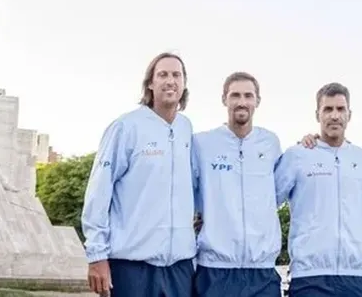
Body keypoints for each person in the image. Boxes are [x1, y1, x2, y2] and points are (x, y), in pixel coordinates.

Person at [81, 52, 197, 297]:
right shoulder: (126, 127)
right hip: (132, 267)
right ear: (150, 84)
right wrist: (96, 255)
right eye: (162, 74)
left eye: (176, 75)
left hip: (179, 268)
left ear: (184, 84)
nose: (170, 81)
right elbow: (99, 191)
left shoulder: (186, 129)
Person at [275, 82, 362, 297]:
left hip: (355, 278)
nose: (334, 116)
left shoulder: (361, 158)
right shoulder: (297, 155)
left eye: (340, 109)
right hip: (309, 277)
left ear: (349, 114)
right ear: (317, 114)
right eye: (328, 109)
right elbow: (268, 200)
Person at [191, 72, 284, 297]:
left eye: (248, 96)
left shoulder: (270, 142)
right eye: (235, 95)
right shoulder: (202, 144)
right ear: (224, 99)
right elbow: (186, 196)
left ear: (257, 101)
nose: (242, 102)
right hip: (215, 270)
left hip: (262, 272)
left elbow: (278, 193)